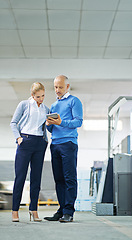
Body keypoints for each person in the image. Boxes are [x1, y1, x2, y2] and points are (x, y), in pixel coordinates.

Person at [44, 75, 83, 223]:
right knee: (59, 179)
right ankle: (61, 210)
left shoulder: (74, 101)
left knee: (69, 178)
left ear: (67, 87)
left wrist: (61, 122)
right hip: (55, 144)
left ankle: (69, 211)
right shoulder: (53, 105)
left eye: (60, 87)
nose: (57, 90)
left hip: (68, 144)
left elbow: (78, 122)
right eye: (55, 87)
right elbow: (53, 130)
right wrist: (49, 125)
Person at [10, 82, 49, 222]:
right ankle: (15, 211)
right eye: (38, 96)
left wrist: (49, 128)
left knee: (36, 179)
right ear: (32, 95)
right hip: (25, 141)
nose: (41, 99)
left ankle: (34, 210)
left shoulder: (46, 109)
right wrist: (18, 138)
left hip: (40, 143)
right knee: (20, 177)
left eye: (43, 96)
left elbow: (47, 128)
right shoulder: (24, 105)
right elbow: (13, 123)